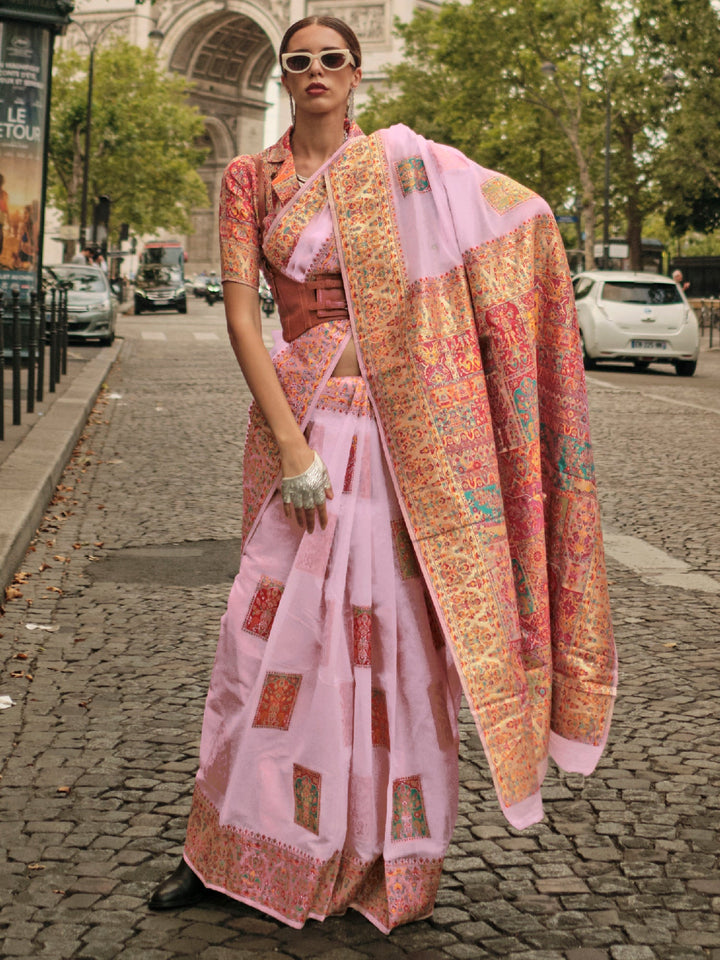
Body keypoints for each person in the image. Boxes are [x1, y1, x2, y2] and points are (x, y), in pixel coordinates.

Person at [149, 15, 617, 932]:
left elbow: (514, 223)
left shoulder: (407, 172)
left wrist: (539, 236)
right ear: (281, 78)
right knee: (261, 648)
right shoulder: (250, 178)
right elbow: (245, 322)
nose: (315, 72)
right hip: (307, 429)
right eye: (299, 61)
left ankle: (375, 860)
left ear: (357, 75)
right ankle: (222, 849)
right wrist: (291, 448)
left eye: (331, 59)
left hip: (400, 444)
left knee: (393, 653)